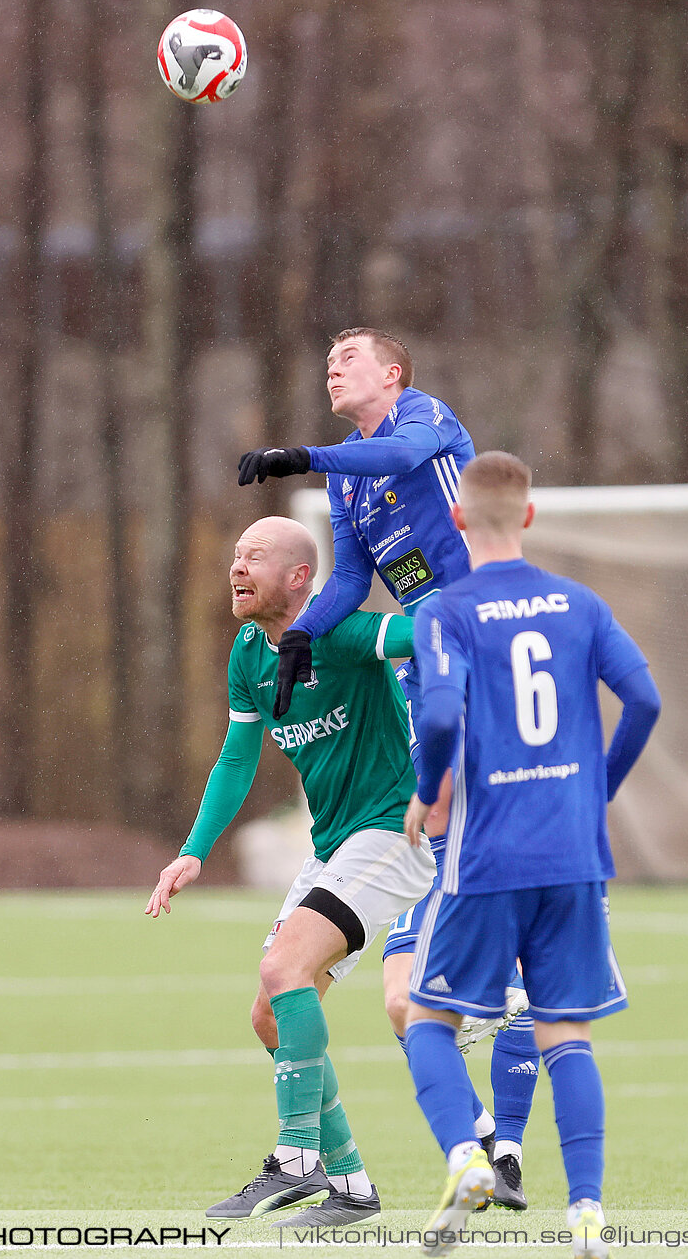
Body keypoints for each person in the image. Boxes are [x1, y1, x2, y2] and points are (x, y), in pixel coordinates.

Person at [237, 328, 540, 1201]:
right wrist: (299, 634)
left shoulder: (425, 421)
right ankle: (488, 1108)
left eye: (348, 357)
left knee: (453, 809)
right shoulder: (347, 480)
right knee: (424, 828)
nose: (331, 367)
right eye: (326, 360)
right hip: (424, 661)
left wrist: (298, 452)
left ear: (394, 373)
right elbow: (349, 583)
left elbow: (404, 451)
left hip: (474, 629)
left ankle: (490, 971)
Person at [399, 451, 661, 1258]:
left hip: (491, 854)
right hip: (575, 853)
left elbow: (439, 714)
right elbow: (645, 699)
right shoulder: (580, 603)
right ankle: (586, 1211)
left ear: (455, 520)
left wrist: (427, 784)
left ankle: (466, 1156)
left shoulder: (446, 611)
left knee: (427, 1020)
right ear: (531, 516)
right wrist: (598, 791)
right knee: (566, 1031)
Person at [145, 516, 433, 1227]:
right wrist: (194, 849)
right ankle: (353, 1186)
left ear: (301, 575)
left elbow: (417, 634)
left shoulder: (337, 631)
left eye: (256, 556)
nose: (237, 567)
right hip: (335, 844)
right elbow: (238, 755)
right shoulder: (249, 650)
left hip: (391, 833)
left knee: (282, 970)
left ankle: (297, 1156)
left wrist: (457, 601)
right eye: (234, 555)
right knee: (270, 1014)